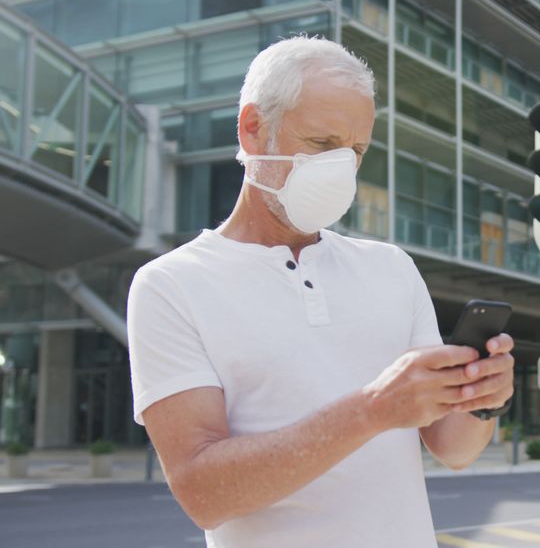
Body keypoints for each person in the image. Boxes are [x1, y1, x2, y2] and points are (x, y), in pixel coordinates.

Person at [127, 36, 515, 547]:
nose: (341, 167)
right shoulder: (170, 285)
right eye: (320, 143)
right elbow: (204, 495)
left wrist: (481, 397)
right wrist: (373, 409)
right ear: (252, 128)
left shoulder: (392, 268)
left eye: (355, 150)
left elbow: (455, 448)